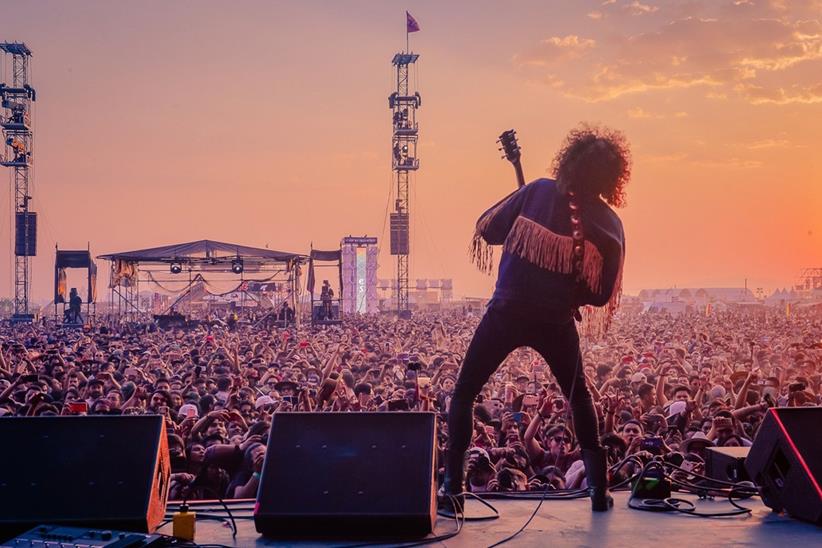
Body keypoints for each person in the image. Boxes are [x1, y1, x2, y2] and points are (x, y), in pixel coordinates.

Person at [442, 125, 631, 512]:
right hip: (556, 320)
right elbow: (600, 293)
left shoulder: (539, 191)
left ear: (570, 161)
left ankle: (453, 491)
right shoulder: (610, 225)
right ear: (612, 178)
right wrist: (569, 288)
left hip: (507, 311)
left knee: (464, 393)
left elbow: (489, 228)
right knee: (579, 399)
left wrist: (522, 208)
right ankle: (598, 490)